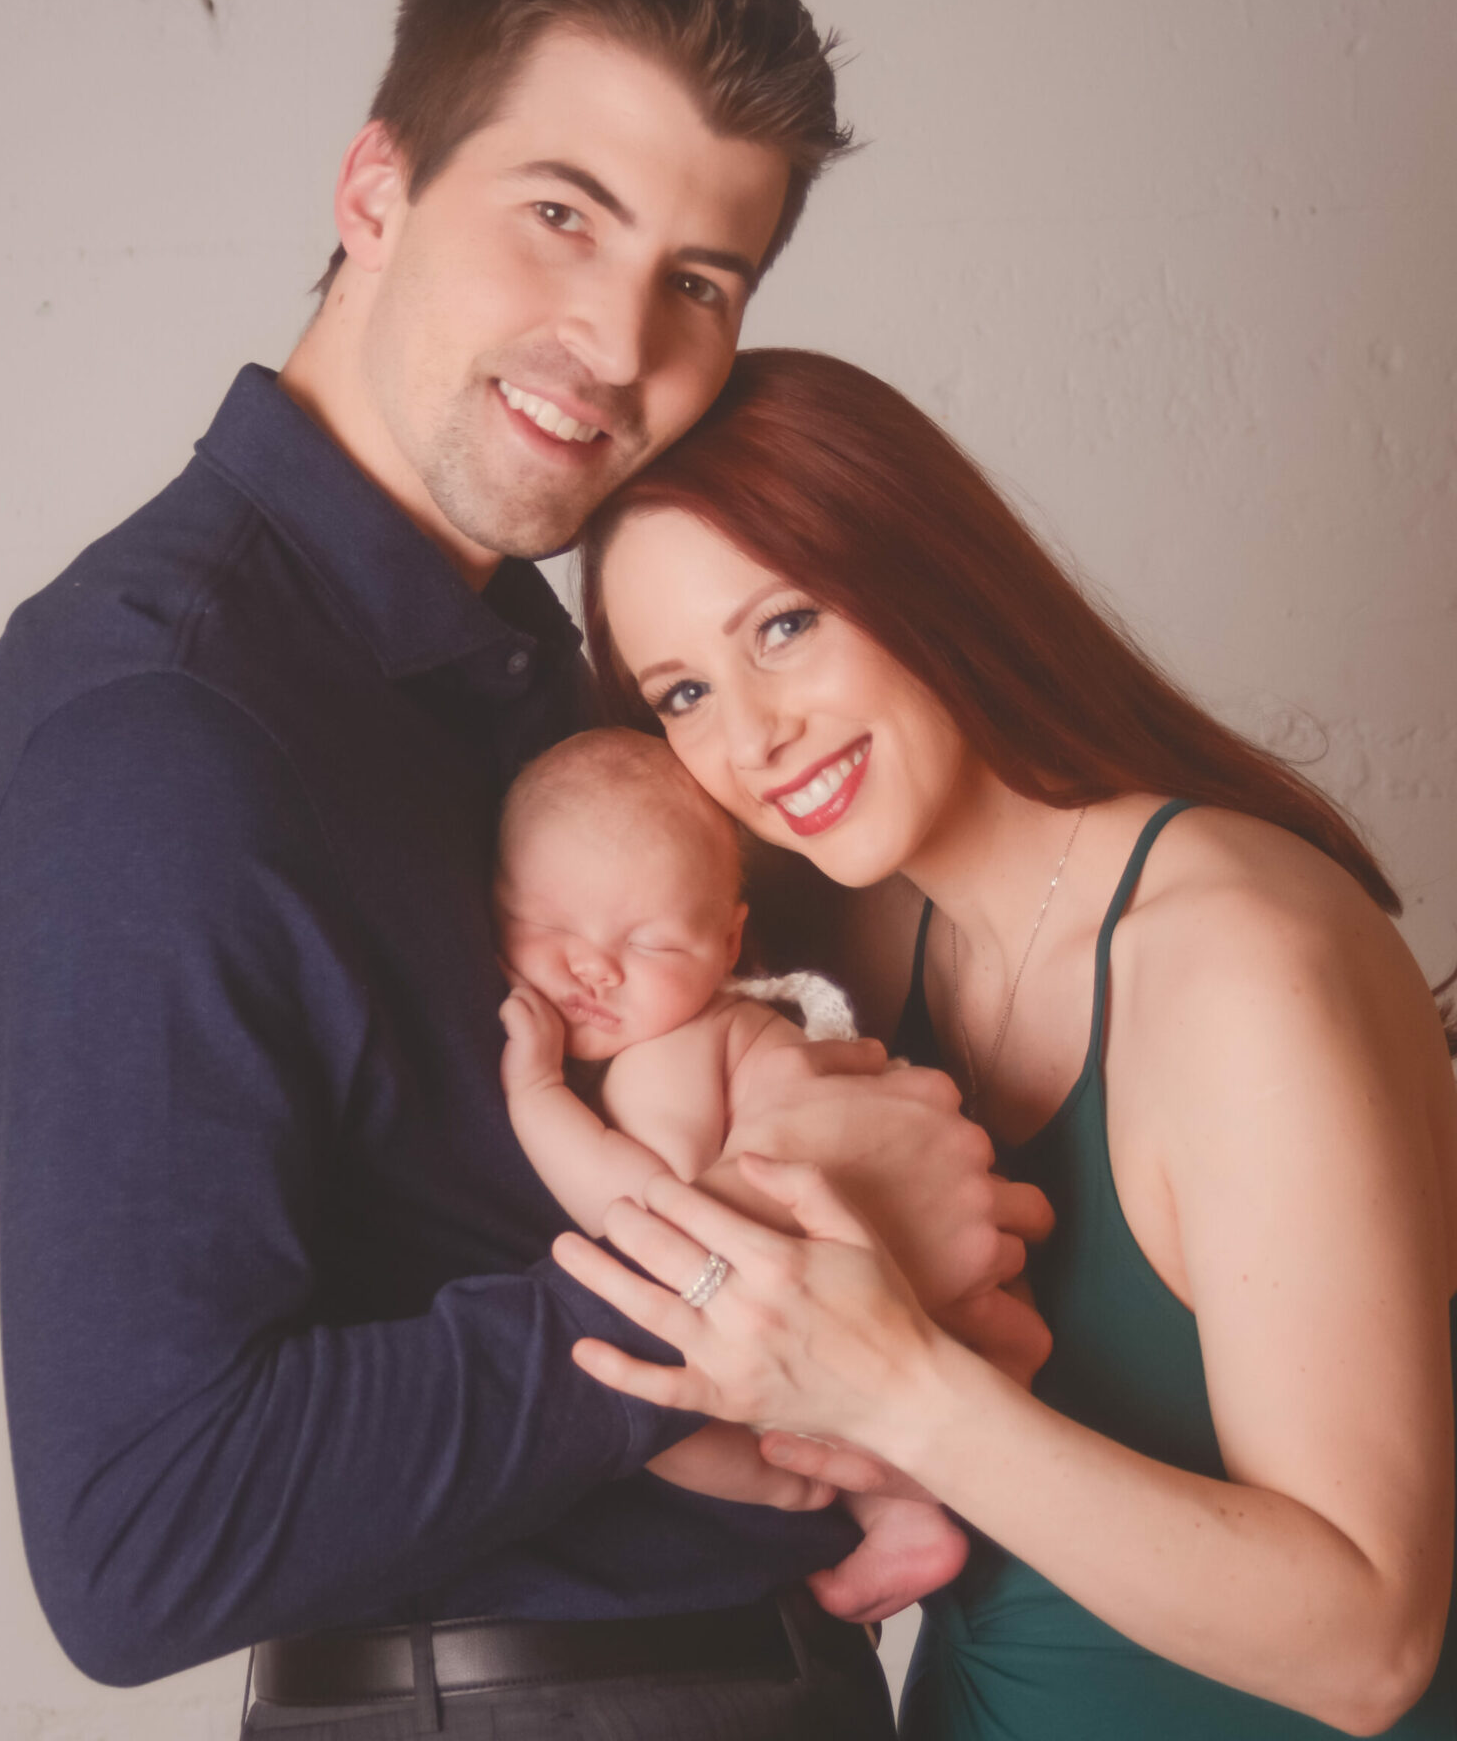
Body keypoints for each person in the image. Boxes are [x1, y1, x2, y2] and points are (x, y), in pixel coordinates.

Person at [0, 0, 1046, 1740]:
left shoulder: (516, 649)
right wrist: (755, 1269)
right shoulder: (161, 737)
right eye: (561, 212)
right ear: (376, 186)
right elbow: (143, 1542)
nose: (615, 342)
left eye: (702, 278)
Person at [555, 346, 1457, 1738]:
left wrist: (898, 1391)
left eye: (784, 625)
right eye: (681, 694)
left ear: (923, 565)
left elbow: (1370, 1645)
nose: (754, 736)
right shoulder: (864, 943)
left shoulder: (1236, 964)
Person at [494, 725, 1013, 1621]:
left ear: (729, 943)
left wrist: (537, 1092)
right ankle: (892, 1511)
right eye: (542, 926)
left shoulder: (681, 1052)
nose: (591, 967)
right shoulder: (701, 1033)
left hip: (826, 1324)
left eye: (649, 946)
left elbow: (644, 1218)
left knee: (627, 1394)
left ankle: (816, 1492)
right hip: (858, 1326)